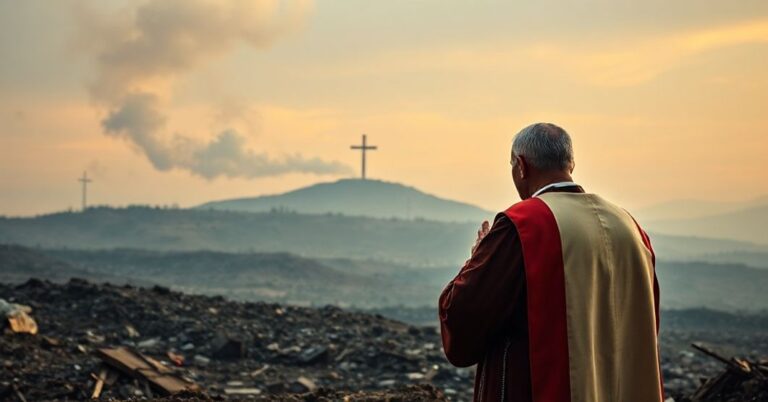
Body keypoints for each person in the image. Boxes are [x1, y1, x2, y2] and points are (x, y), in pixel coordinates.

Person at [439, 123, 662, 402]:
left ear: (521, 166)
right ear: (571, 164)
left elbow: (464, 313)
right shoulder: (630, 227)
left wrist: (475, 260)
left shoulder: (524, 226)